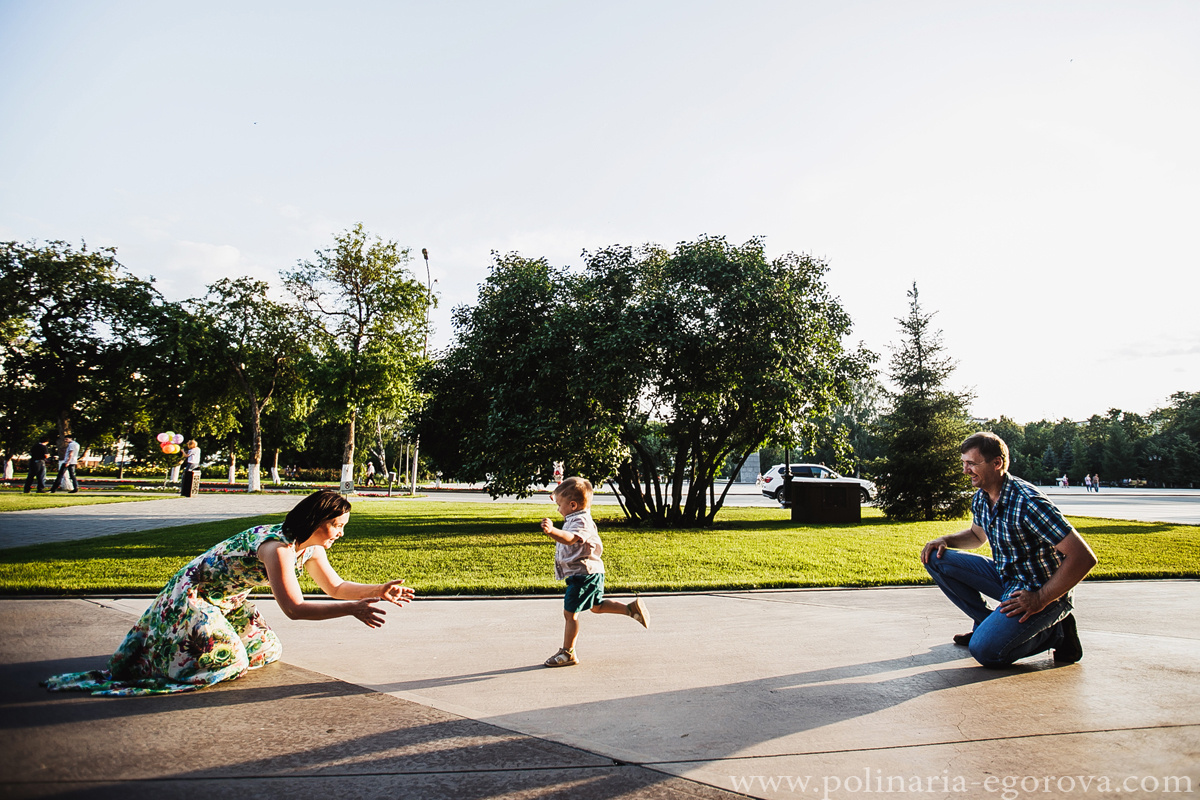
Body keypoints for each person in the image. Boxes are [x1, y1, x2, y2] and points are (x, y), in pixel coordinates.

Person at [42, 490, 414, 696]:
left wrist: (380, 590)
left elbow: (334, 586)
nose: (340, 533)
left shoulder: (310, 548)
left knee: (267, 649)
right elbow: (295, 608)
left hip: (228, 599)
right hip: (195, 596)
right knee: (229, 662)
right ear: (315, 521)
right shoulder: (278, 548)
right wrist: (351, 610)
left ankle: (185, 647)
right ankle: (165, 660)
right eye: (336, 525)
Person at [921, 432, 1098, 668]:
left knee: (985, 651)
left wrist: (1041, 598)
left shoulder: (1029, 502)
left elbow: (1083, 557)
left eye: (972, 464)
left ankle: (1057, 633)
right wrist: (945, 540)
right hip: (1006, 578)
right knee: (934, 557)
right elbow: (977, 536)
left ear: (997, 463)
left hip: (1039, 590)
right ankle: (986, 623)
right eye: (964, 463)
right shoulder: (982, 497)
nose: (965, 471)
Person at [538, 476, 648, 667]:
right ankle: (630, 610)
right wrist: (557, 495)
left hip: (584, 576)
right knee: (596, 606)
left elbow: (571, 538)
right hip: (589, 574)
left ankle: (568, 652)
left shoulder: (581, 522)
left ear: (572, 505)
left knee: (570, 614)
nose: (558, 509)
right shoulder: (576, 515)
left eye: (559, 505)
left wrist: (552, 531)